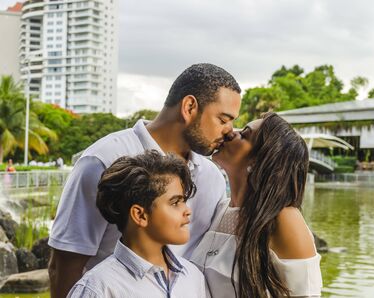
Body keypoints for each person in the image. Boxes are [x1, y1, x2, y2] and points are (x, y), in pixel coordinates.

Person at [48, 63, 241, 297]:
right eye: (223, 119)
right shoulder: (103, 159)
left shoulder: (213, 178)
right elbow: (65, 264)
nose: (230, 132)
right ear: (189, 107)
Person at [190, 112, 322, 297]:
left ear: (260, 159)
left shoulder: (284, 219)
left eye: (244, 134)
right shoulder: (220, 209)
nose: (229, 132)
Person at [68, 151, 206, 298]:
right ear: (140, 215)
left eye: (184, 201)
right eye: (175, 202)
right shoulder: (99, 289)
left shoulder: (192, 276)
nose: (187, 210)